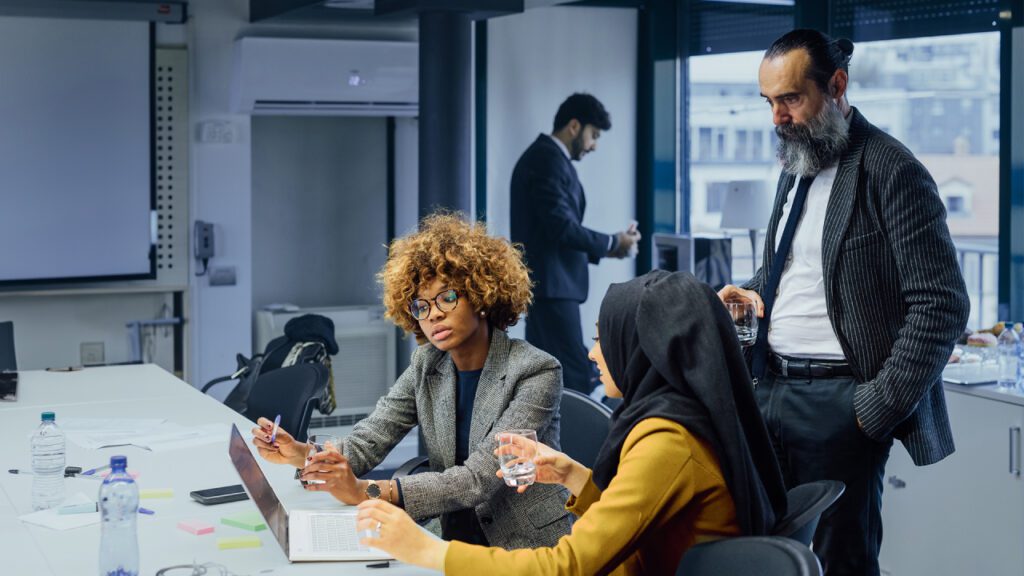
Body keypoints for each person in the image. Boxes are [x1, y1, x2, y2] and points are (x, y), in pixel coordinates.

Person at [717, 29, 970, 575]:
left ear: (836, 85)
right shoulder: (797, 162)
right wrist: (751, 289)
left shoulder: (892, 170)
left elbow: (943, 303)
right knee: (769, 556)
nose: (776, 118)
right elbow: (794, 269)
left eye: (790, 99)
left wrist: (871, 409)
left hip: (840, 404)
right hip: (769, 391)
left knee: (841, 562)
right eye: (769, 102)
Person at [355, 271, 788, 575]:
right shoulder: (678, 416)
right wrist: (570, 473)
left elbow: (568, 567)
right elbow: (646, 513)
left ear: (640, 348)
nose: (593, 353)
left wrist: (427, 551)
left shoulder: (667, 442)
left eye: (603, 337)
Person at [251, 213, 571, 549]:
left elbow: (477, 480)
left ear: (480, 295)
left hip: (523, 546)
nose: (433, 314)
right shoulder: (428, 362)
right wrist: (302, 454)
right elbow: (371, 437)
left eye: (447, 298)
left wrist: (367, 491)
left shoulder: (535, 370)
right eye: (421, 305)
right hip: (452, 536)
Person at [510, 93, 641, 394]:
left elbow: (555, 231)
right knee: (574, 377)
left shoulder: (547, 158)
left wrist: (614, 246)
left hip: (550, 289)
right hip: (553, 291)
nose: (594, 144)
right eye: (593, 135)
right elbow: (561, 228)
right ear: (573, 126)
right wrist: (612, 242)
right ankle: (577, 440)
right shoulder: (546, 160)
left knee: (552, 375)